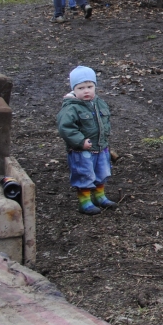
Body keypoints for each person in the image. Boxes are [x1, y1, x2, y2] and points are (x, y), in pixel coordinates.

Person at [57, 66, 116, 215]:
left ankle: (99, 196)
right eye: (81, 88)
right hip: (82, 150)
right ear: (74, 90)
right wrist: (80, 141)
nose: (86, 91)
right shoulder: (71, 108)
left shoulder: (99, 103)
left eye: (90, 86)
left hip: (100, 147)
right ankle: (84, 202)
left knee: (101, 172)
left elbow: (105, 120)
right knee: (84, 174)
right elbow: (66, 128)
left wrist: (105, 136)